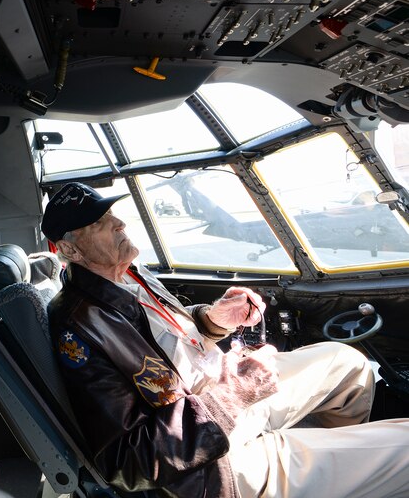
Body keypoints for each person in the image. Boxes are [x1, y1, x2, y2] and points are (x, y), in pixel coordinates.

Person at [42, 182, 409, 498]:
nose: (120, 224)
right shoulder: (81, 329)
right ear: (70, 251)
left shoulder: (130, 274)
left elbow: (171, 335)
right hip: (206, 464)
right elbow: (130, 463)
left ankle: (339, 473)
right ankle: (321, 466)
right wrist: (233, 396)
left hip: (214, 393)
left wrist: (213, 320)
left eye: (113, 215)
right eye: (99, 224)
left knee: (347, 362)